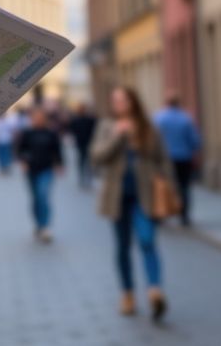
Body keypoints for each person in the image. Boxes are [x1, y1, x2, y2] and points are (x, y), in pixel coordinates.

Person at [92, 86, 176, 321]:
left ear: (133, 102)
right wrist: (118, 136)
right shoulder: (106, 126)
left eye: (123, 100)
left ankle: (155, 291)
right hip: (117, 197)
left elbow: (163, 159)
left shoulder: (148, 126)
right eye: (115, 100)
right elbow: (96, 156)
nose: (119, 104)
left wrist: (171, 189)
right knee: (123, 247)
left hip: (145, 195)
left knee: (147, 240)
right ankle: (127, 294)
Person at [16, 108, 65, 242]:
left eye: (41, 117)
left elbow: (57, 150)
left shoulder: (51, 133)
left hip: (46, 169)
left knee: (43, 195)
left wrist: (60, 164)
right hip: (31, 170)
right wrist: (23, 161)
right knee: (36, 199)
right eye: (36, 117)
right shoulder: (27, 133)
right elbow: (20, 150)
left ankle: (45, 226)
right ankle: (38, 224)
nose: (38, 119)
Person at [152, 93, 201, 225]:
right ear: (178, 103)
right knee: (184, 187)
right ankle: (184, 216)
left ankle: (161, 213)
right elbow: (195, 141)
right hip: (183, 158)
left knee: (163, 185)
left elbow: (152, 140)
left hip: (163, 159)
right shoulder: (185, 119)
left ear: (166, 103)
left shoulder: (158, 118)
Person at [67, 101, 98, 189]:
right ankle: (83, 179)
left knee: (86, 161)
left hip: (87, 143)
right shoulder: (76, 120)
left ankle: (86, 179)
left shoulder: (89, 120)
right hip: (81, 143)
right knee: (83, 161)